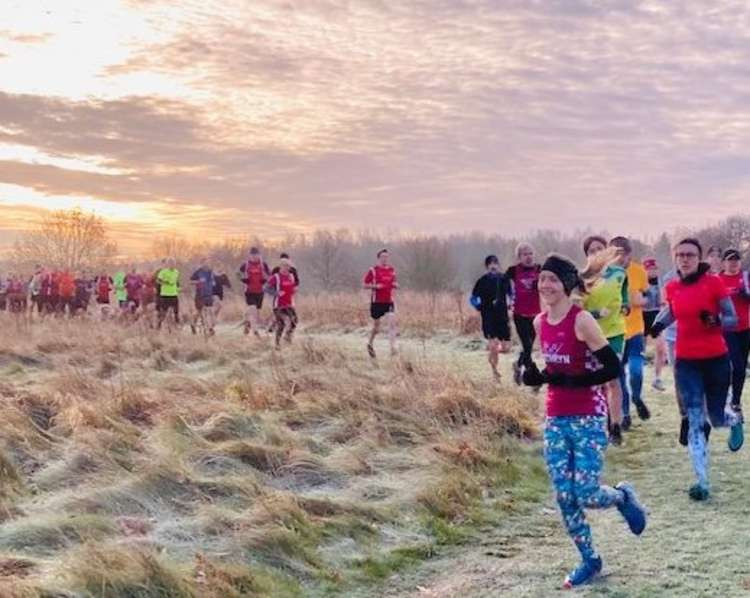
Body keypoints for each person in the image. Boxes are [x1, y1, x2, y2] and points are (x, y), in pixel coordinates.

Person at [522, 254, 646, 588]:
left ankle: (622, 496)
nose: (545, 285)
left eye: (552, 279)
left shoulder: (582, 321)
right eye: (542, 278)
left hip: (589, 417)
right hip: (556, 418)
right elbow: (554, 369)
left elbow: (612, 368)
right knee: (564, 496)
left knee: (587, 492)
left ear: (566, 284)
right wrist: (536, 375)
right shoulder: (539, 322)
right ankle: (590, 560)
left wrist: (574, 382)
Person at [650, 238, 743, 501]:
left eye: (690, 254)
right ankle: (701, 481)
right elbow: (672, 312)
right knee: (694, 418)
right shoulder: (673, 286)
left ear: (699, 257)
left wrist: (715, 320)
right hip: (686, 361)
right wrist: (658, 324)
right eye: (679, 255)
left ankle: (734, 420)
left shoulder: (714, 283)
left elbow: (732, 318)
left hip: (715, 359)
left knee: (715, 417)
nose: (684, 259)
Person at [580, 235, 627, 445]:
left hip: (615, 333)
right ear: (587, 255)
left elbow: (624, 296)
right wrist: (598, 313)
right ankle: (599, 421)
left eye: (600, 249)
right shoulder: (582, 278)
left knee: (613, 379)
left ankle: (616, 426)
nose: (597, 253)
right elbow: (579, 308)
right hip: (592, 334)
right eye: (592, 250)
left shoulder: (619, 273)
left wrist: (625, 304)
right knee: (596, 382)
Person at [610, 236, 651, 429]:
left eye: (621, 254)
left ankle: (637, 397)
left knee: (636, 371)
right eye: (613, 254)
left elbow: (648, 296)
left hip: (635, 330)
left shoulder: (639, 271)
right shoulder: (605, 274)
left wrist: (640, 300)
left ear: (629, 255)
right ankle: (625, 414)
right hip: (615, 332)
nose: (617, 258)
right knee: (618, 377)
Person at [718, 249, 750, 420]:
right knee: (735, 366)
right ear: (724, 262)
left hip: (745, 328)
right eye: (730, 260)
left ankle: (736, 402)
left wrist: (746, 295)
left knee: (741, 369)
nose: (734, 263)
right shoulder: (718, 280)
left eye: (736, 260)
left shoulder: (746, 277)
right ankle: (727, 398)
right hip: (726, 329)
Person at [471, 254, 513, 380]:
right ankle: (495, 372)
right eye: (490, 264)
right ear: (487, 266)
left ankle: (492, 353)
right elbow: (473, 298)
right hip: (488, 316)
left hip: (502, 316)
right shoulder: (482, 281)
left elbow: (512, 294)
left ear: (498, 265)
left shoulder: (504, 279)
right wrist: (478, 306)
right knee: (494, 345)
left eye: (495, 263)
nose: (493, 266)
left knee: (506, 348)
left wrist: (512, 304)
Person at [506, 243, 542, 385]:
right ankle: (534, 378)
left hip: (535, 314)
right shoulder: (513, 270)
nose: (528, 257)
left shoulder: (539, 269)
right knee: (527, 346)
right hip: (520, 314)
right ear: (519, 257)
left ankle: (518, 365)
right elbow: (502, 285)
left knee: (528, 348)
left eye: (530, 253)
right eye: (525, 254)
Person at [364, 249, 399, 358]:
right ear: (378, 258)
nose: (385, 259)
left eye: (386, 257)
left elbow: (393, 282)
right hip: (377, 302)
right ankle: (370, 343)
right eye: (383, 257)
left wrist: (395, 285)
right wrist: (375, 286)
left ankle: (393, 348)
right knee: (376, 328)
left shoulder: (391, 270)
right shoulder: (373, 270)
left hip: (389, 301)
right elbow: (365, 285)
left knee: (392, 324)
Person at [642, 257, 668, 391]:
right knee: (640, 349)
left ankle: (657, 378)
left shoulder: (660, 282)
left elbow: (664, 301)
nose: (652, 271)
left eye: (654, 269)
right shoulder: (640, 282)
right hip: (641, 316)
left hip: (656, 315)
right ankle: (637, 377)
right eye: (649, 269)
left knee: (661, 348)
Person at [266, 257, 298, 349]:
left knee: (294, 321)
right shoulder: (276, 277)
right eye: (285, 266)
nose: (287, 268)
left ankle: (287, 338)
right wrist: (276, 293)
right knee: (282, 323)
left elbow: (291, 288)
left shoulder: (291, 276)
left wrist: (294, 290)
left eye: (288, 266)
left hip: (289, 304)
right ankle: (277, 344)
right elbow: (266, 288)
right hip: (278, 305)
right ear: (280, 266)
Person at [239, 248, 270, 337]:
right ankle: (255, 332)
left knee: (256, 313)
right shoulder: (245, 265)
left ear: (259, 255)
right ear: (250, 256)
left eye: (256, 255)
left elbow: (270, 276)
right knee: (253, 311)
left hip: (260, 291)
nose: (255, 257)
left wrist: (265, 280)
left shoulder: (263, 265)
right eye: (253, 255)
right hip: (249, 291)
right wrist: (244, 280)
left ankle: (247, 324)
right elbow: (237, 274)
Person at [190, 258, 216, 335]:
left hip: (209, 294)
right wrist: (198, 281)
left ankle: (210, 328)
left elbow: (213, 281)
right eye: (205, 263)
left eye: (208, 262)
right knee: (199, 311)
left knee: (210, 311)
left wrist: (213, 284)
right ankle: (193, 323)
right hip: (200, 295)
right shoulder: (198, 272)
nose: (207, 264)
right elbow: (190, 281)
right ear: (202, 263)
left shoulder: (211, 272)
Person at [156, 258, 180, 329]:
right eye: (170, 263)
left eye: (173, 263)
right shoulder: (163, 272)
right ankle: (159, 325)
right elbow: (158, 281)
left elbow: (176, 282)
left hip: (174, 294)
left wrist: (178, 288)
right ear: (167, 264)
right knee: (164, 312)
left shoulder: (176, 272)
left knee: (176, 311)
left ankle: (176, 325)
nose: (172, 265)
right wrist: (165, 283)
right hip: (165, 294)